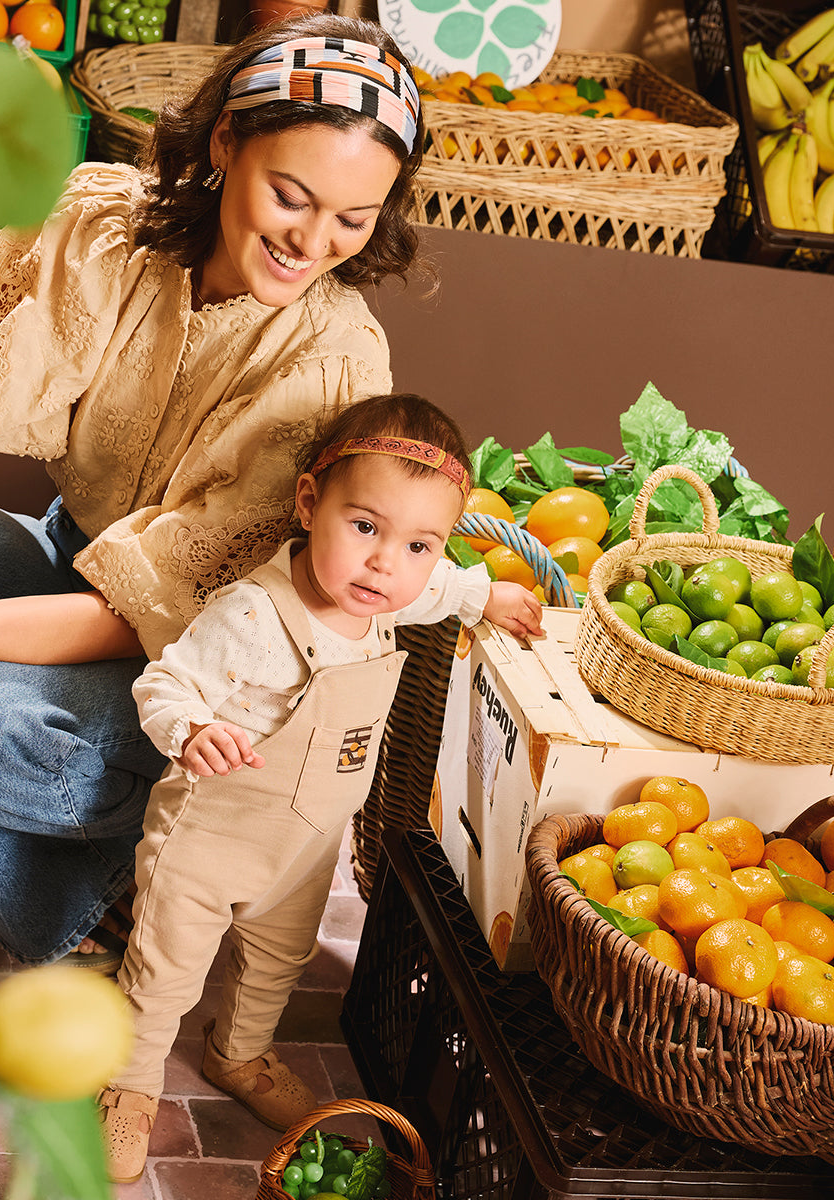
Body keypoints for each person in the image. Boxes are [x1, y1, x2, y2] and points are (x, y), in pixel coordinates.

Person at [0, 14, 428, 967]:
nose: (313, 240)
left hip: (190, 665)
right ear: (227, 140)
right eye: (291, 195)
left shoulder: (335, 365)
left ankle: (101, 889)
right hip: (72, 557)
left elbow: (131, 614)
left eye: (353, 221)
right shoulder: (103, 225)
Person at [98, 393, 543, 1181]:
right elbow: (164, 684)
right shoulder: (254, 616)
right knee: (165, 969)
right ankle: (129, 1087)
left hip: (305, 844)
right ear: (311, 504)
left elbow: (443, 590)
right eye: (365, 527)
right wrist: (194, 731)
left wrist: (489, 595)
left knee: (278, 958)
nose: (385, 564)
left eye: (418, 545)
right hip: (212, 835)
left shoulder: (396, 596)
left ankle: (240, 1056)